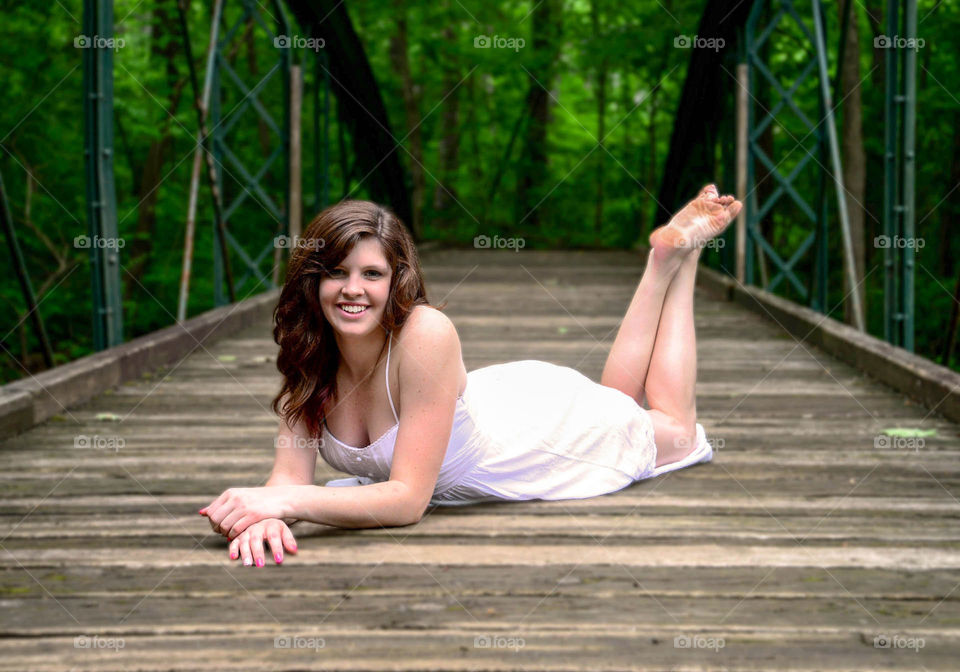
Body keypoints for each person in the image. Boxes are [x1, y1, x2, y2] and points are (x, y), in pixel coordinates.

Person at [199, 186, 742, 567]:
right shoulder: (310, 353)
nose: (352, 289)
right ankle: (665, 260)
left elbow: (408, 500)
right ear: (312, 281)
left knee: (671, 425)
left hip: (540, 441)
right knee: (614, 398)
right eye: (336, 273)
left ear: (398, 280)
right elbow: (287, 480)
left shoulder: (425, 333)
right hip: (507, 403)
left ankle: (679, 260)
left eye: (372, 273)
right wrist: (264, 518)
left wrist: (288, 505)